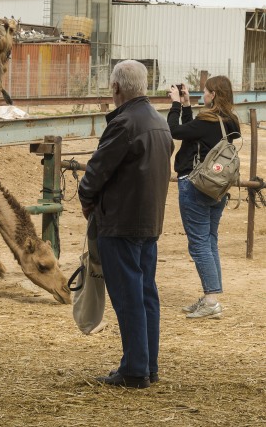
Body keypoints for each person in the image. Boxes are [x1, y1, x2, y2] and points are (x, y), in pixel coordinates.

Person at [78, 60, 173, 389]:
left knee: (128, 298)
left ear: (116, 88)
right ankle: (149, 365)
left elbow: (97, 170)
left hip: (120, 223)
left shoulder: (124, 124)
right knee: (146, 295)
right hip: (149, 223)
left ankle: (134, 370)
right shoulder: (159, 122)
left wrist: (86, 199)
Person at [167, 76, 240, 319]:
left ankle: (211, 300)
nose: (203, 94)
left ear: (213, 95)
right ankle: (211, 295)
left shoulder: (205, 120)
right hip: (217, 186)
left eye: (206, 92)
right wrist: (188, 106)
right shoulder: (229, 121)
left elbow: (175, 131)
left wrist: (176, 105)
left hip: (195, 184)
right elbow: (192, 135)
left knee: (199, 244)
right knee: (209, 241)